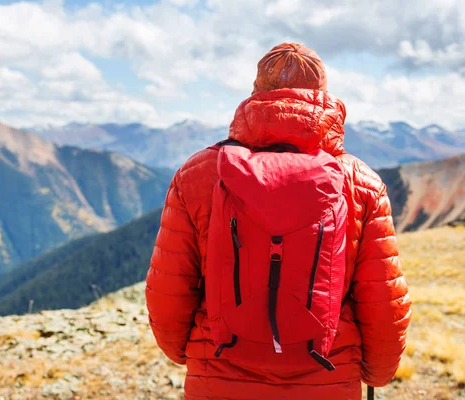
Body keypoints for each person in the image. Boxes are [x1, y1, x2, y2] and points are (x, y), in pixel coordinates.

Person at [145, 42, 411, 400]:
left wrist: (184, 351)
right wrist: (375, 373)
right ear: (322, 96)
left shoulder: (198, 175)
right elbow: (383, 300)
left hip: (219, 377)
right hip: (327, 378)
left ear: (256, 93)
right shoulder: (361, 184)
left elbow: (169, 289)